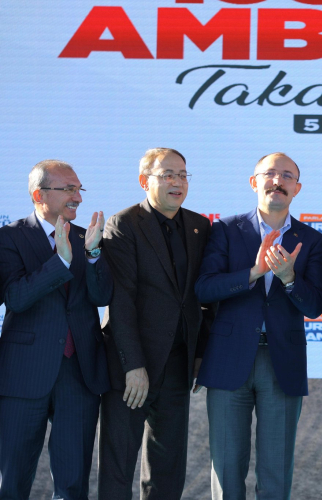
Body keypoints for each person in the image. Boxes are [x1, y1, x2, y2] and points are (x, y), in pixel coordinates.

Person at [194, 152, 322, 500]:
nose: (277, 181)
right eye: (270, 174)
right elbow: (204, 289)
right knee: (226, 470)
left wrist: (289, 278)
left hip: (282, 362)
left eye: (287, 176)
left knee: (275, 473)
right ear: (254, 182)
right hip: (228, 360)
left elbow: (314, 306)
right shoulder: (225, 229)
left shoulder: (312, 239)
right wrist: (253, 273)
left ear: (297, 188)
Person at [98, 148, 212, 500]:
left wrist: (200, 354)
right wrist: (133, 366)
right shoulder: (124, 224)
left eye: (183, 174)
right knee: (118, 465)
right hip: (132, 367)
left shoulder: (199, 226)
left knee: (167, 467)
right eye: (167, 175)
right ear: (144, 180)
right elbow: (120, 300)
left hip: (178, 365)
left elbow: (203, 297)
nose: (178, 182)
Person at [0, 159, 111, 499]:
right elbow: (16, 298)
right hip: (24, 373)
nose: (78, 197)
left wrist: (93, 255)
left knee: (72, 483)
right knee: (12, 481)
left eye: (79, 189)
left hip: (79, 373)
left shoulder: (88, 238)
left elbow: (102, 296)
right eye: (69, 189)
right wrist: (60, 262)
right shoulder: (9, 237)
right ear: (39, 195)